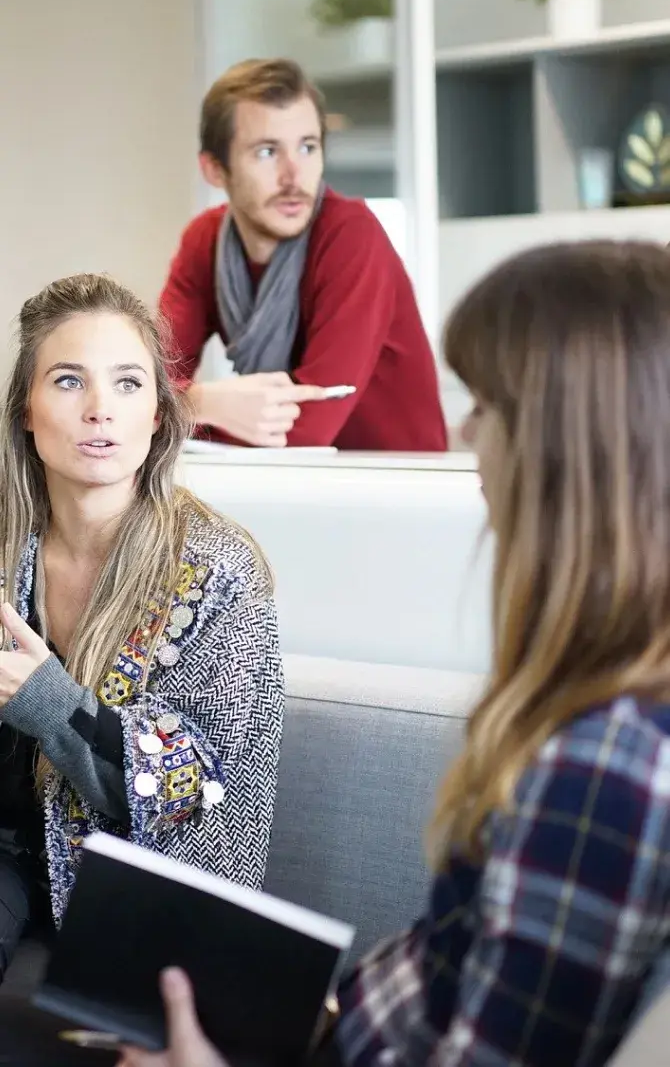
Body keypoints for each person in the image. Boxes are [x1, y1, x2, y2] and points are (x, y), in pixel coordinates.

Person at [118, 240, 670, 1067]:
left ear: (564, 448)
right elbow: (449, 980)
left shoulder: (606, 770)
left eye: (487, 407)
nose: (466, 434)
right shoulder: (592, 720)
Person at [0, 273, 283, 986]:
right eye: (69, 381)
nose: (100, 409)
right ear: (26, 411)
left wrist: (48, 702)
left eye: (127, 383)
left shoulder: (219, 571)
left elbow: (199, 795)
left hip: (129, 879)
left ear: (157, 413)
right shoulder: (7, 545)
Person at [158, 57, 448, 452]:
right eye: (267, 152)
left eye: (308, 147)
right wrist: (202, 403)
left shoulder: (351, 235)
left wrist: (179, 411)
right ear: (214, 170)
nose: (294, 176)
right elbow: (144, 385)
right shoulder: (204, 241)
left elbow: (307, 428)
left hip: (394, 479)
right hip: (286, 477)